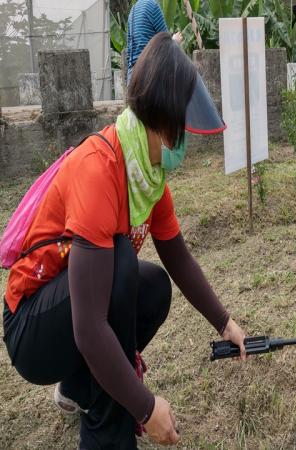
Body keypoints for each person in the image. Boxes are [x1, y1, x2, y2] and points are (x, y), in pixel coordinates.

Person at [2, 33, 243, 449]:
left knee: (153, 287)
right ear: (161, 119)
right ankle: (106, 435)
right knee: (121, 265)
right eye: (181, 128)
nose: (184, 142)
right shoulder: (99, 168)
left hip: (73, 314)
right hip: (31, 328)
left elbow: (178, 258)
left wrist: (225, 323)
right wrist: (145, 407)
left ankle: (80, 387)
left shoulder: (148, 178)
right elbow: (89, 328)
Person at [126, 0, 183, 81]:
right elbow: (166, 41)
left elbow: (129, 52)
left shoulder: (133, 10)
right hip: (149, 70)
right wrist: (175, 41)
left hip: (132, 73)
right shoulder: (152, 6)